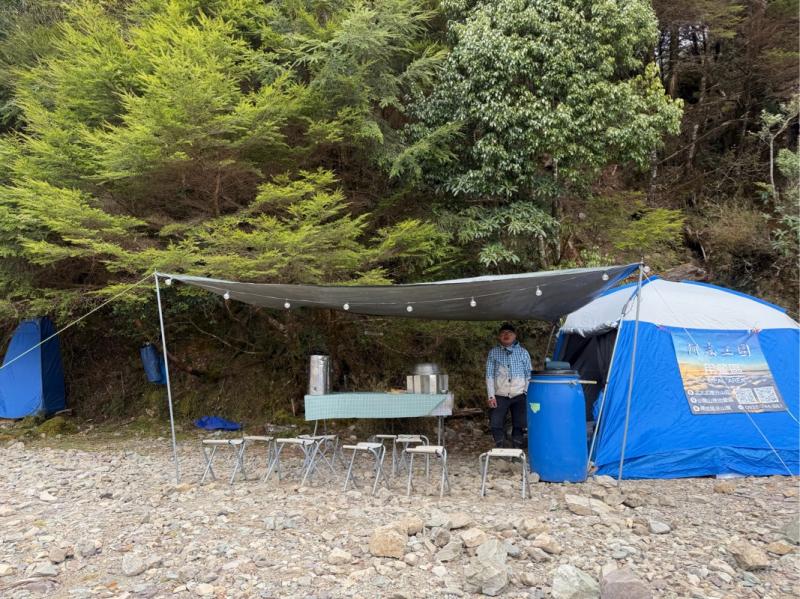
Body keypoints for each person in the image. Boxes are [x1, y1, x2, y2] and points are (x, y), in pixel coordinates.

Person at [485, 323, 532, 448]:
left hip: (519, 393)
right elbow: (489, 375)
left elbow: (529, 374)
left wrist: (526, 392)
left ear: (515, 336)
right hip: (500, 394)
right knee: (495, 422)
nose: (506, 335)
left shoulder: (523, 352)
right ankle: (501, 445)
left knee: (520, 423)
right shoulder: (493, 353)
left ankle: (517, 448)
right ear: (499, 336)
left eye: (509, 333)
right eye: (503, 333)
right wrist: (491, 396)